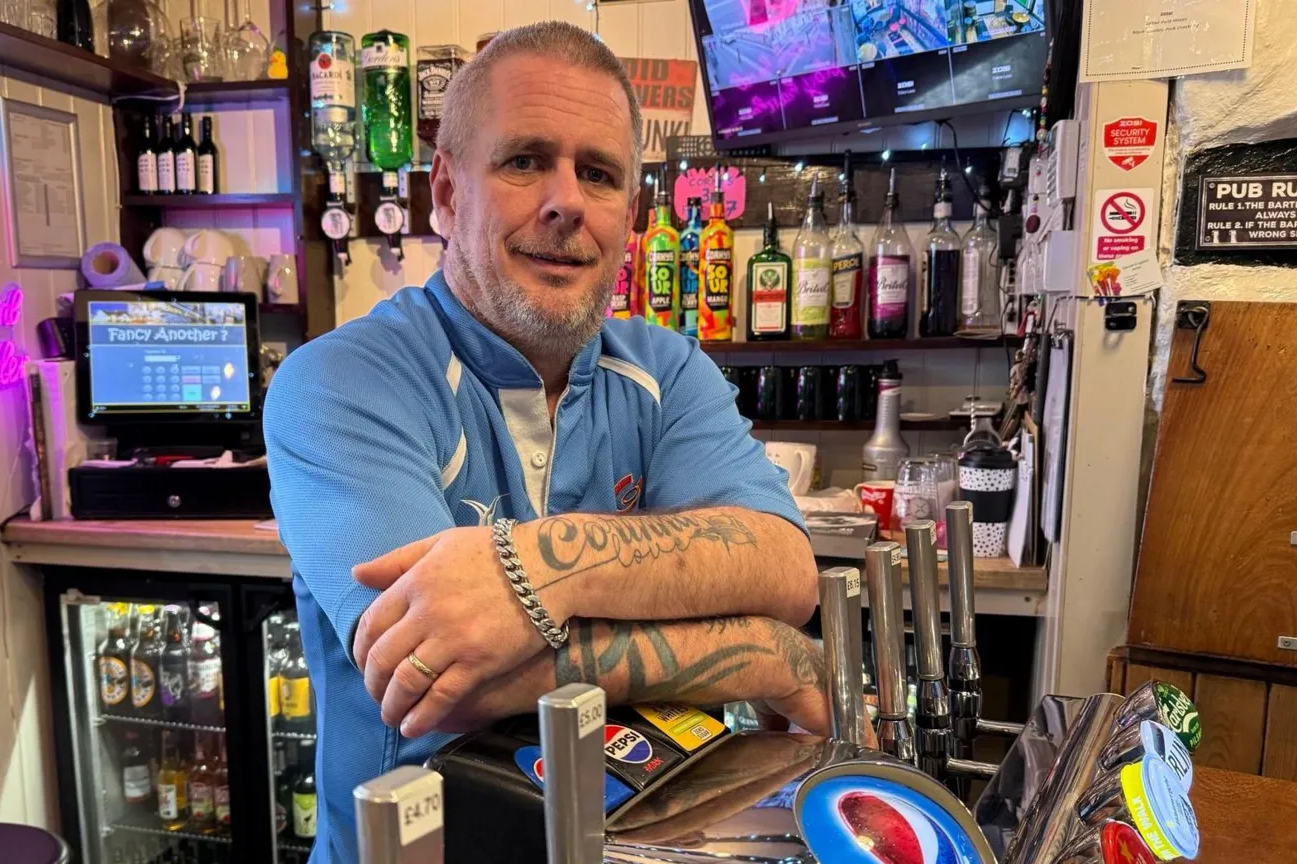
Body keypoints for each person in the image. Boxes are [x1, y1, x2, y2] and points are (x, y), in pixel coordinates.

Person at [264, 21, 863, 863]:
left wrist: (532, 571)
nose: (566, 201)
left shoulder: (663, 367)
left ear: (628, 213)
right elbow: (436, 676)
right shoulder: (341, 383)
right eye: (523, 161)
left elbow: (782, 567)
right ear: (445, 194)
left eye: (599, 173)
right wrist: (760, 656)